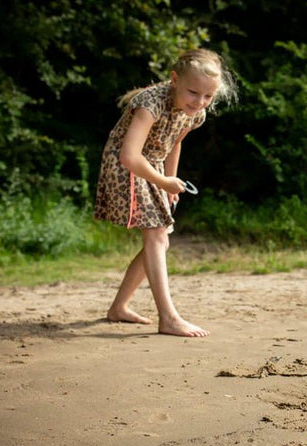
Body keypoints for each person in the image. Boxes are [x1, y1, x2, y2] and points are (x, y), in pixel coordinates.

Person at [93, 49, 236, 337]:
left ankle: (118, 308)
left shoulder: (196, 113)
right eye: (194, 93)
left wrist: (170, 179)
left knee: (160, 241)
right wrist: (163, 180)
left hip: (154, 166)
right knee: (157, 236)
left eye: (208, 96)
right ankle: (169, 318)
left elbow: (174, 143)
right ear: (174, 80)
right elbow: (129, 157)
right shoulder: (150, 103)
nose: (200, 102)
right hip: (126, 165)